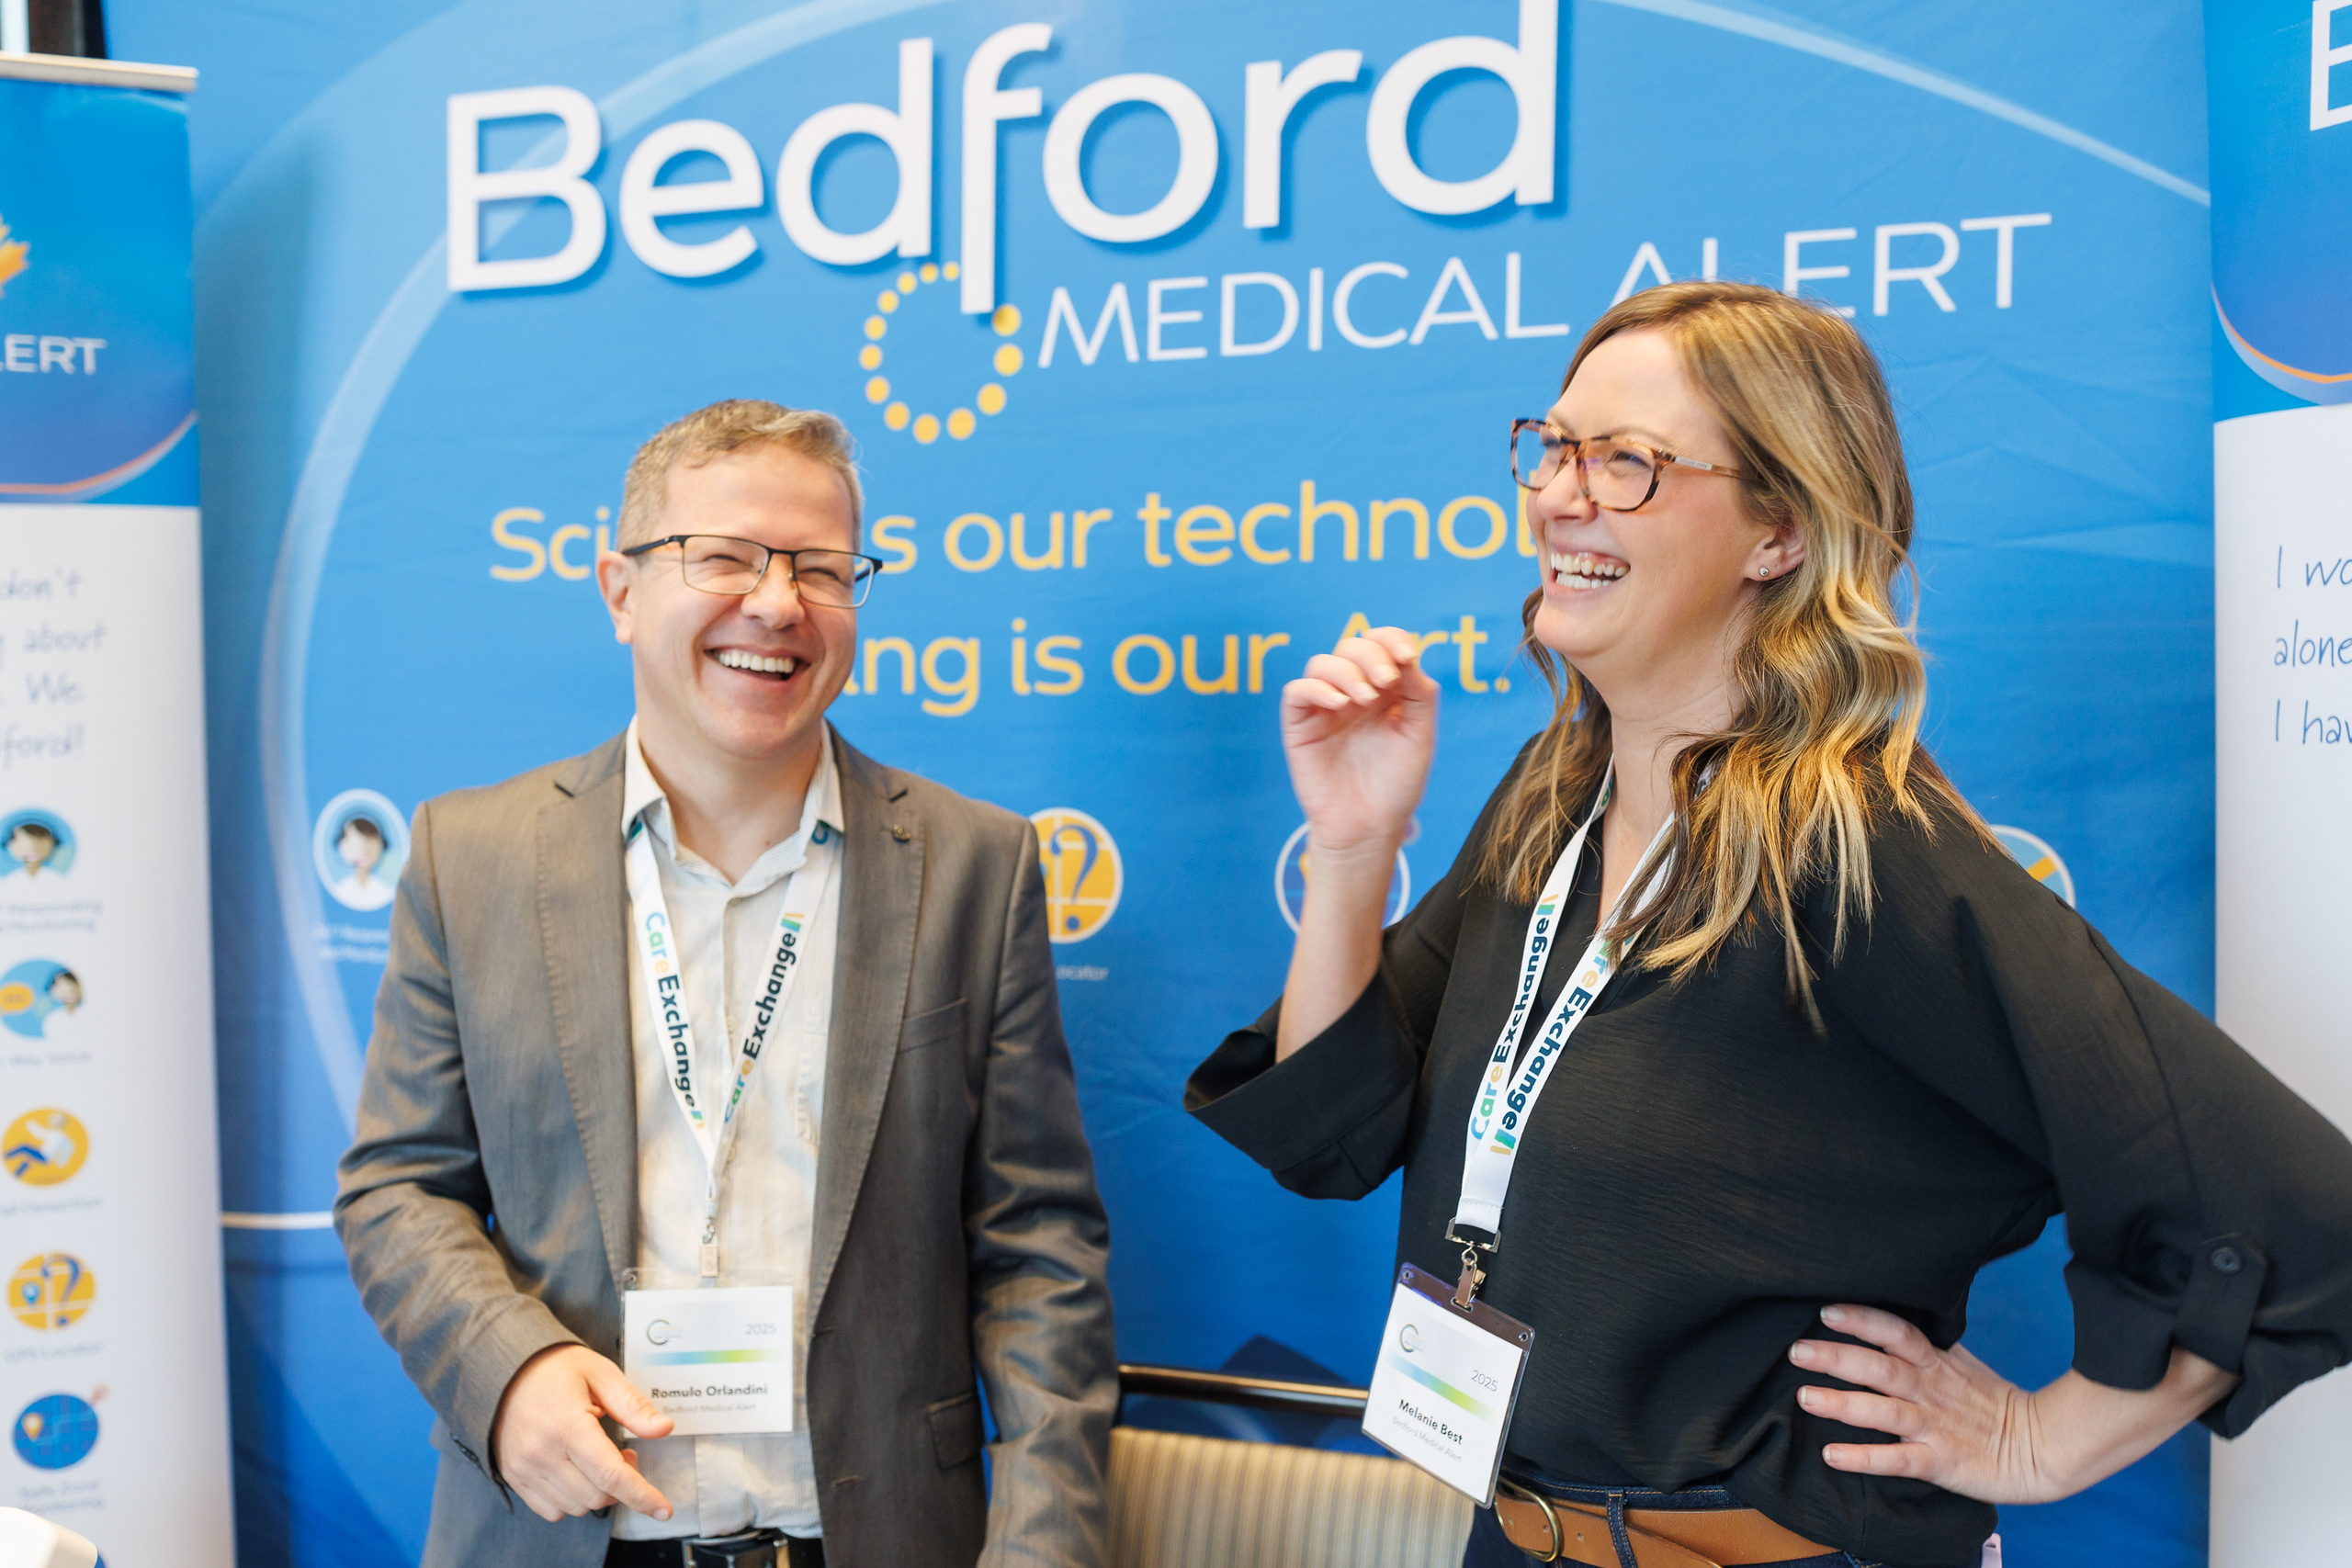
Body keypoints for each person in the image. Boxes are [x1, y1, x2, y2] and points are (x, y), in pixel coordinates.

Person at [1186, 281, 2352, 1568]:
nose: (1563, 492)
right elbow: (1335, 1131)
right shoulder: (1549, 799)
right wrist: (1354, 848)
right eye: (1557, 444)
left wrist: (2044, 1439)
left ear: (1778, 532)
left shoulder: (1854, 845)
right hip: (1515, 1534)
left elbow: (2291, 1204)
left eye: (1629, 461)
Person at [337, 400, 1116, 1568]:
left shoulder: (974, 867)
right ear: (620, 589)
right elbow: (399, 1188)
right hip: (561, 1533)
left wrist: (1045, 1547)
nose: (776, 603)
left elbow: (1038, 1245)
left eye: (821, 567)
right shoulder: (472, 857)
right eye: (724, 558)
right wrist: (509, 1370)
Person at [328, 814, 396, 911]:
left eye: (370, 842)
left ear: (382, 845)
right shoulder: (342, 888)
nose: (362, 849)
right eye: (354, 842)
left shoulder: (382, 890)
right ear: (341, 844)